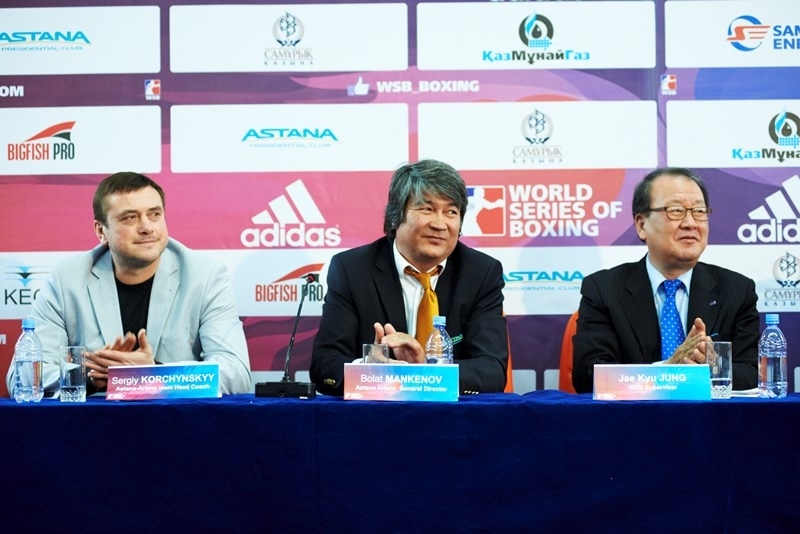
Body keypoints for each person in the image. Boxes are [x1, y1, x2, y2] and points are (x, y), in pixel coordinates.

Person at [5, 172, 251, 396]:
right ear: (101, 231)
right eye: (130, 217)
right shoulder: (66, 279)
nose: (147, 227)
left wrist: (152, 374)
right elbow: (21, 377)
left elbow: (236, 372)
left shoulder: (206, 276)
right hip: (94, 424)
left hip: (176, 422)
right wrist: (90, 378)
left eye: (155, 214)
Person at [310, 159, 508, 396]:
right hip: (377, 411)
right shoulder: (352, 270)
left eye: (451, 212)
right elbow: (325, 366)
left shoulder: (481, 273)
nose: (440, 224)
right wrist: (371, 371)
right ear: (395, 216)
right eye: (427, 209)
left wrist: (424, 371)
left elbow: (492, 370)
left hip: (453, 414)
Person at [572, 167, 759, 393]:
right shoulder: (603, 289)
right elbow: (588, 376)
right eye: (676, 211)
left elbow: (752, 373)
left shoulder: (737, 290)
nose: (691, 223)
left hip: (708, 415)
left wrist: (709, 366)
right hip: (632, 415)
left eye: (699, 211)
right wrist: (667, 370)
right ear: (642, 225)